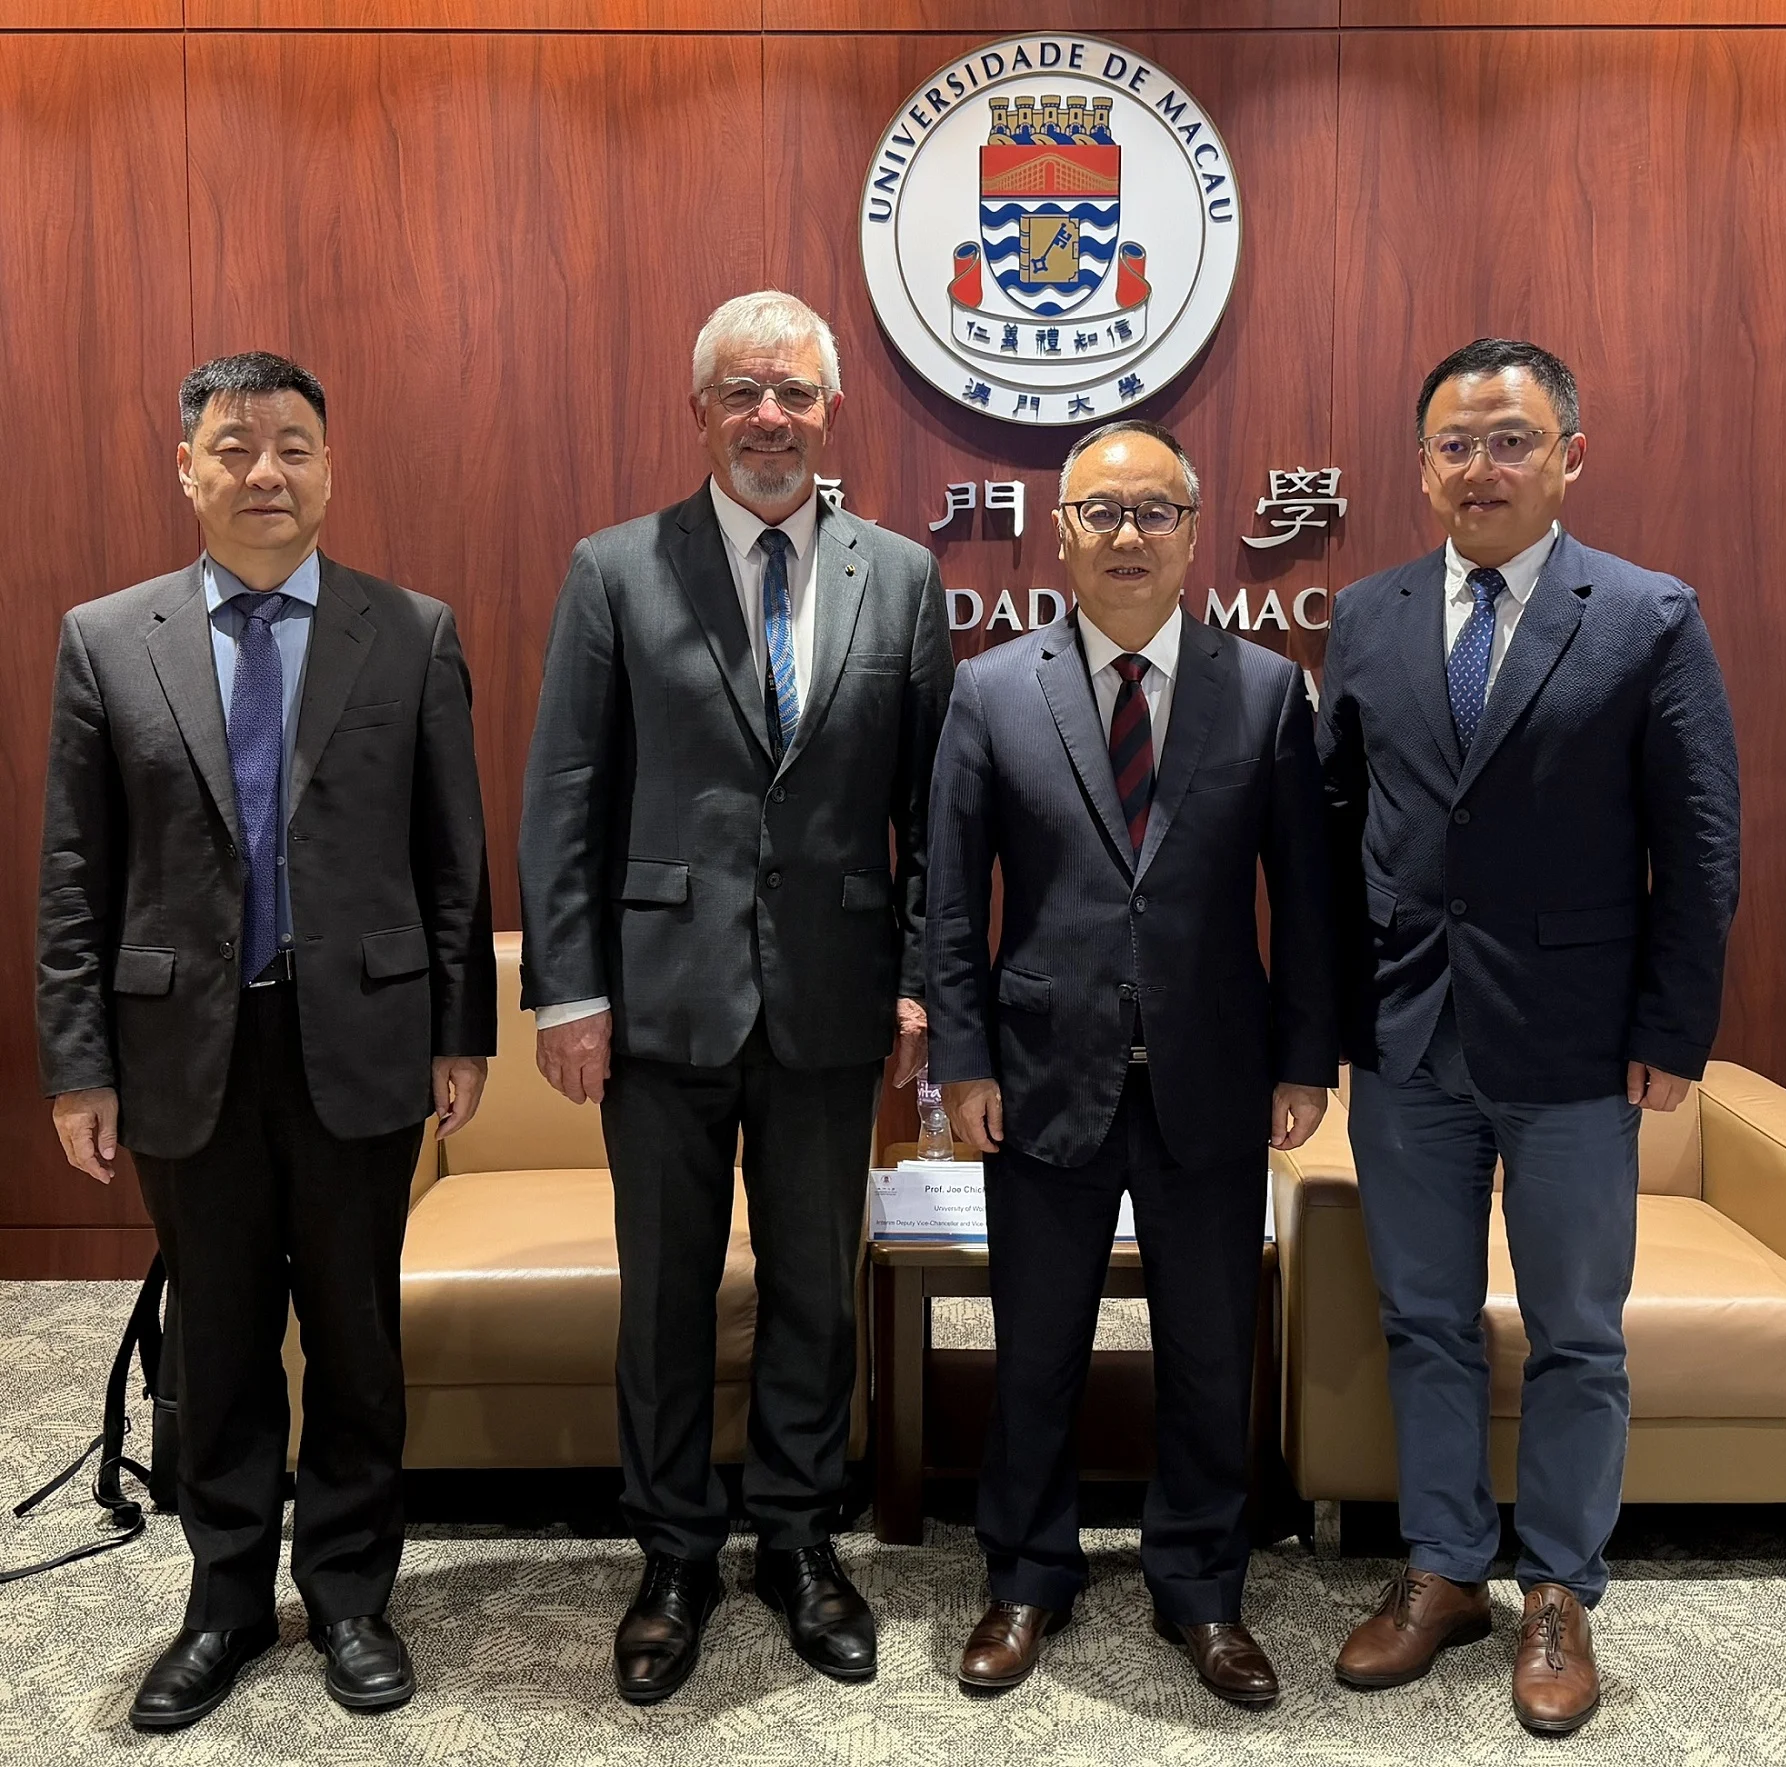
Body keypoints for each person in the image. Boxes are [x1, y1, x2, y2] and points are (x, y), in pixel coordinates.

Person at [37, 351, 496, 1731]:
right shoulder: (107, 639)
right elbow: (76, 870)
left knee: (356, 1332)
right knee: (220, 1335)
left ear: (329, 467)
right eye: (234, 447)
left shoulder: (408, 631)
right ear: (186, 467)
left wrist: (461, 1031)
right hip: (184, 1048)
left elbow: (453, 857)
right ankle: (225, 1598)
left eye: (293, 445)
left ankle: (350, 1592)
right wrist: (78, 1062)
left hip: (361, 1038)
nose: (265, 472)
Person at [518, 291, 953, 1702]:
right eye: (744, 393)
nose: (772, 418)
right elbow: (567, 790)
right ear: (699, 410)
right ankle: (671, 1550)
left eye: (796, 394)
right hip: (657, 999)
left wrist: (920, 983)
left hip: (833, 995)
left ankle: (799, 1537)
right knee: (666, 1291)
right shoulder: (615, 569)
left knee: (817, 1287)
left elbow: (931, 811)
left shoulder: (902, 578)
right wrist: (567, 991)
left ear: (832, 411)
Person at [1319, 338, 1740, 1735]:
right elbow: (1332, 832)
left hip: (1575, 1044)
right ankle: (1443, 1564)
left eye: (1510, 440)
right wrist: (1328, 1021)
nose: (1480, 467)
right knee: (1423, 1319)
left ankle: (1558, 1584)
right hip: (1406, 1037)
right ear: (1420, 465)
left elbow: (1699, 844)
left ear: (1569, 455)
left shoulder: (1645, 615)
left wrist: (1671, 1026)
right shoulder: (1367, 615)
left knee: (1575, 1332)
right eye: (1454, 444)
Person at [926, 420, 1336, 1706]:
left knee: (1209, 1349)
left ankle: (1201, 1587)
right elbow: (951, 899)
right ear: (1060, 534)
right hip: (1041, 1073)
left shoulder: (1262, 689)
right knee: (1034, 1345)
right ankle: (1025, 1575)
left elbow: (1305, 899)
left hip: (1213, 1074)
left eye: (1152, 511)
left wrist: (1304, 1060)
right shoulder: (993, 688)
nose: (1125, 535)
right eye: (1100, 513)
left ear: (1192, 532)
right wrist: (961, 1059)